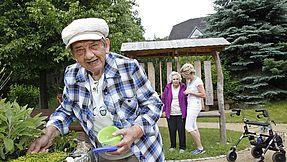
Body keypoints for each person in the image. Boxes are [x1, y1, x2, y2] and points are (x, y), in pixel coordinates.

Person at [27, 18, 164, 162]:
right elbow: (66, 110)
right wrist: (48, 134)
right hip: (103, 153)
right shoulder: (72, 75)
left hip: (141, 150)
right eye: (80, 50)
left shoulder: (129, 68)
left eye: (94, 46)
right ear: (73, 56)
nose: (89, 55)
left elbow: (153, 104)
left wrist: (135, 131)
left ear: (106, 45)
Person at [180, 63, 206, 155]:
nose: (184, 77)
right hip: (190, 105)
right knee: (194, 127)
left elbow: (203, 94)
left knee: (188, 127)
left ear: (189, 73)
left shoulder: (198, 81)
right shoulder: (190, 81)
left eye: (185, 75)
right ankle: (199, 148)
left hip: (195, 106)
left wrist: (190, 92)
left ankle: (200, 148)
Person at [161, 71, 187, 154]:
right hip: (170, 113)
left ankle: (182, 147)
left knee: (181, 130)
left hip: (180, 113)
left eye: (177, 79)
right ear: (171, 80)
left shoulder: (183, 87)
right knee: (171, 130)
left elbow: (187, 99)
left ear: (180, 80)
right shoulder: (167, 88)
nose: (175, 80)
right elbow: (163, 100)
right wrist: (164, 110)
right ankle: (173, 146)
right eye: (174, 79)